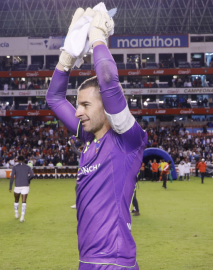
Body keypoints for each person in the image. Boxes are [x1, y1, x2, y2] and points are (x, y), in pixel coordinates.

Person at [46, 8, 147, 268]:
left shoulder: (127, 141)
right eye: (78, 105)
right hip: (88, 261)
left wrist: (98, 38)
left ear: (105, 106)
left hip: (114, 262)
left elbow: (107, 78)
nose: (77, 111)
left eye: (85, 105)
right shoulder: (89, 139)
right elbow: (54, 99)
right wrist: (66, 57)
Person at [9, 156, 35, 222]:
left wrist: (10, 187)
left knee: (16, 200)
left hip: (17, 185)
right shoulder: (28, 167)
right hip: (25, 185)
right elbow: (32, 175)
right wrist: (28, 180)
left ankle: (16, 213)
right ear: (24, 160)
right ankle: (22, 217)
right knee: (24, 201)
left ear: (17, 160)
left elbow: (12, 177)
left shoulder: (15, 167)